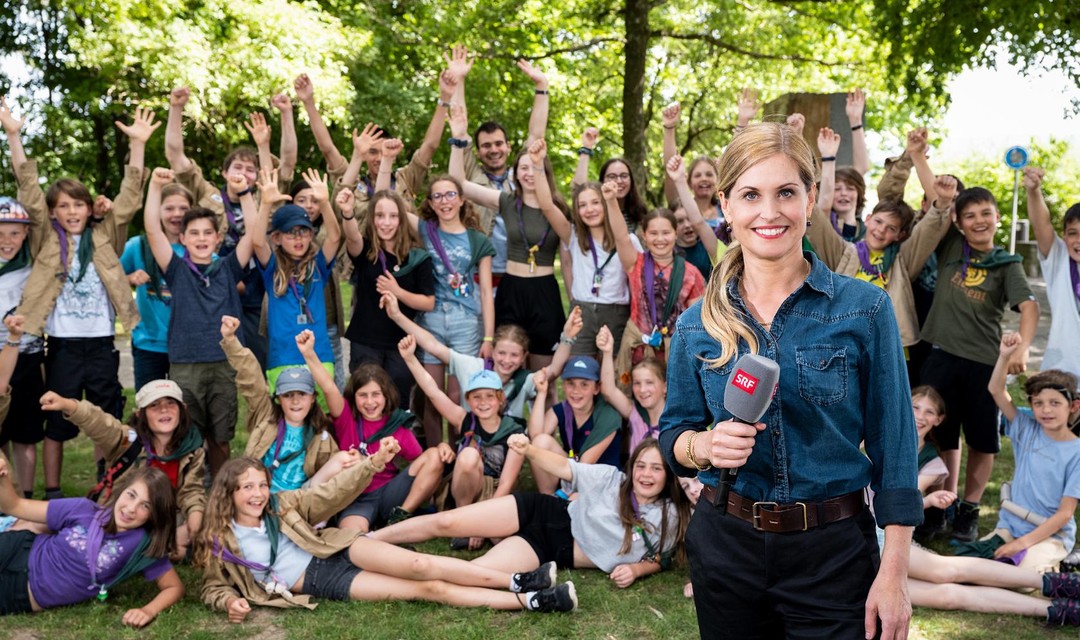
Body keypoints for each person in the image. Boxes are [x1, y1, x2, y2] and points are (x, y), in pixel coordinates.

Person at [658, 121, 922, 639]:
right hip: (725, 547)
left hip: (834, 557)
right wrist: (704, 445)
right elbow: (673, 435)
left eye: (786, 192)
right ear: (727, 206)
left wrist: (894, 574)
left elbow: (896, 447)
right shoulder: (696, 323)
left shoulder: (865, 309)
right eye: (751, 194)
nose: (770, 211)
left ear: (811, 198)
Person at [196, 456, 577, 620]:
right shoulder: (220, 541)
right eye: (247, 488)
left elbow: (327, 495)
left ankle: (518, 580)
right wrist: (229, 600)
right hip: (318, 579)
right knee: (427, 589)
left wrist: (370, 465)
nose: (258, 494)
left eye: (261, 485)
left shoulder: (280, 504)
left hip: (337, 544)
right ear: (229, 492)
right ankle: (532, 601)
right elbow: (211, 587)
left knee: (420, 563)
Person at [7, 100, 147, 499]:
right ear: (53, 212)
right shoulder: (45, 239)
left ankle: (110, 483)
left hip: (101, 343)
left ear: (90, 208)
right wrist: (14, 136)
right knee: (56, 416)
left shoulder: (105, 236)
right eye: (63, 205)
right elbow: (28, 191)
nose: (72, 211)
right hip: (63, 344)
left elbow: (130, 198)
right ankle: (52, 491)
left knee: (106, 417)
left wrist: (136, 146)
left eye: (78, 204)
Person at [371, 435, 690, 590]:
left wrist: (636, 571)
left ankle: (384, 570)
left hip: (551, 548)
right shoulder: (611, 479)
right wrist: (528, 451)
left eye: (656, 469)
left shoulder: (670, 517)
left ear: (668, 475)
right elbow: (565, 467)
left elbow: (660, 558)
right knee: (447, 521)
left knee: (475, 574)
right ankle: (370, 540)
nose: (646, 475)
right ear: (632, 467)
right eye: (641, 466)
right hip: (545, 511)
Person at [919, 185, 1040, 543]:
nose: (978, 221)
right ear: (959, 221)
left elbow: (1030, 308)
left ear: (997, 217)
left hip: (984, 364)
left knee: (982, 441)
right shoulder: (953, 246)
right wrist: (918, 157)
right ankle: (939, 505)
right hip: (940, 357)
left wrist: (1023, 348)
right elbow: (934, 194)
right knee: (940, 433)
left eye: (986, 213)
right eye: (969, 215)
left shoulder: (1007, 263)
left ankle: (969, 510)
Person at [165, 88, 296, 370]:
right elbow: (176, 157)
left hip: (257, 294)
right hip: (213, 292)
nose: (243, 173)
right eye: (237, 166)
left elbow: (286, 163)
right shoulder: (207, 195)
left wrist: (285, 116)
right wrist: (176, 109)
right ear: (225, 173)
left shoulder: (264, 198)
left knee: (260, 370)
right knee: (215, 369)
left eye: (251, 169)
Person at [144, 167, 255, 478]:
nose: (201, 238)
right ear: (183, 238)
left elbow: (253, 233)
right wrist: (154, 187)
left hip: (224, 363)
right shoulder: (176, 269)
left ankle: (220, 489)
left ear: (218, 238)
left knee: (220, 438)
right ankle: (190, 490)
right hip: (185, 364)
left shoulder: (229, 268)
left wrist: (245, 192)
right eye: (194, 233)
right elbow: (153, 230)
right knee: (189, 436)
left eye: (208, 232)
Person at [0, 456, 184, 626]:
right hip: (18, 549)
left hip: (24, 591)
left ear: (154, 515)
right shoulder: (84, 508)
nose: (131, 509)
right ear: (121, 491)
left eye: (146, 505)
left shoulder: (142, 545)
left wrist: (148, 611)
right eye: (131, 495)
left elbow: (174, 587)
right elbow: (15, 505)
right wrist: (2, 476)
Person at [39, 379, 206, 561]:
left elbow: (192, 491)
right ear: (140, 414)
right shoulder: (128, 440)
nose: (164, 410)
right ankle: (155, 549)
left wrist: (195, 521)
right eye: (154, 405)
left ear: (183, 409)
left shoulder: (192, 449)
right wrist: (67, 405)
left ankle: (147, 549)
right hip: (122, 516)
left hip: (160, 519)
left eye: (170, 403)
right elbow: (99, 422)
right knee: (52, 521)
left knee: (200, 525)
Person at [299, 330, 447, 532]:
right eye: (363, 395)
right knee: (352, 535)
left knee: (434, 456)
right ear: (354, 397)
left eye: (376, 394)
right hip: (356, 497)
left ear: (386, 395)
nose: (370, 402)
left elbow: (423, 465)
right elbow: (329, 387)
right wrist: (309, 354)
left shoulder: (397, 426)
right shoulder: (346, 418)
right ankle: (376, 531)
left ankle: (400, 517)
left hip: (389, 493)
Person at [400, 336, 526, 548]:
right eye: (476, 397)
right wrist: (410, 358)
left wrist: (485, 520)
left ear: (500, 399)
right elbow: (433, 391)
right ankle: (463, 523)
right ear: (468, 400)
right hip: (465, 492)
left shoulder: (515, 431)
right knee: (467, 455)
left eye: (489, 396)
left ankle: (475, 527)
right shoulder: (465, 419)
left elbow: (506, 483)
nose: (483, 403)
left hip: (495, 494)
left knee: (501, 540)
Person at [382, 293, 580, 421]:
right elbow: (433, 346)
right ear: (492, 351)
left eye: (514, 355)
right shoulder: (472, 367)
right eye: (501, 353)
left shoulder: (526, 380)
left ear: (523, 358)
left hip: (509, 447)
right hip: (474, 441)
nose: (506, 360)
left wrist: (567, 337)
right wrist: (397, 316)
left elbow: (553, 370)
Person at [408, 174, 496, 445]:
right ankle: (436, 459)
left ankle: (460, 454)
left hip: (465, 322)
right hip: (431, 321)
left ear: (461, 200)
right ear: (431, 204)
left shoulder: (477, 240)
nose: (444, 201)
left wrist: (488, 337)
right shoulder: (424, 230)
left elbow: (485, 292)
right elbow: (395, 204)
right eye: (437, 196)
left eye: (450, 195)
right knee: (433, 395)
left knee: (458, 397)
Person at [220, 316, 351, 493]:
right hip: (259, 495)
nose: (295, 401)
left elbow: (330, 481)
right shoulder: (265, 416)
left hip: (298, 500)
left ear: (313, 398)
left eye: (302, 394)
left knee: (344, 460)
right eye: (288, 395)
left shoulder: (321, 436)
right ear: (278, 399)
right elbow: (249, 375)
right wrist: (230, 340)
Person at [983, 333, 1080, 572]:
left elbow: (1064, 514)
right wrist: (1005, 356)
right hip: (1010, 527)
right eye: (1038, 403)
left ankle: (1057, 567)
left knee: (1014, 576)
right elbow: (996, 389)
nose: (1046, 410)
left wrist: (1021, 545)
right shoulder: (1025, 428)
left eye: (1055, 403)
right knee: (976, 565)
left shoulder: (1076, 452)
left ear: (1073, 406)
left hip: (1051, 535)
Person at [338, 187, 435, 403]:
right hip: (366, 341)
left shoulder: (417, 258)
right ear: (372, 219)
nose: (386, 222)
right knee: (365, 398)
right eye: (380, 216)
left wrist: (398, 292)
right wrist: (347, 212)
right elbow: (352, 237)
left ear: (401, 220)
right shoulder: (366, 252)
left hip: (400, 342)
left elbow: (428, 302)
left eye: (393, 216)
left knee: (396, 400)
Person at [250, 168, 341, 391]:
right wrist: (265, 205)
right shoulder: (272, 269)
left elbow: (335, 236)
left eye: (303, 231)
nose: (298, 238)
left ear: (311, 234)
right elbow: (258, 243)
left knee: (322, 420)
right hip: (282, 358)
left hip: (320, 356)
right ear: (277, 238)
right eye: (291, 233)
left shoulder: (318, 266)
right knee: (287, 420)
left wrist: (325, 203)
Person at [121, 178, 193, 389]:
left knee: (186, 407)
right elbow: (109, 278)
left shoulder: (198, 247)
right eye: (169, 208)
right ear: (157, 211)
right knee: (149, 404)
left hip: (187, 345)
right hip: (148, 343)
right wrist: (129, 278)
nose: (177, 214)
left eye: (183, 208)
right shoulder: (138, 246)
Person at [0, 195, 44, 498]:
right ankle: (5, 497)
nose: (7, 240)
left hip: (27, 356)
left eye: (15, 232)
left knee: (26, 435)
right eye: (0, 233)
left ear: (26, 232)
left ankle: (25, 497)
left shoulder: (34, 265)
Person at [528, 358, 623, 494]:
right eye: (570, 383)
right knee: (540, 441)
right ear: (564, 385)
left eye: (584, 385)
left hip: (602, 479)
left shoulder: (608, 416)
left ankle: (566, 497)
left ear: (596, 388)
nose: (576, 391)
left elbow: (586, 464)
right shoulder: (562, 410)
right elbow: (535, 436)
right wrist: (542, 393)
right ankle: (548, 497)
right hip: (575, 470)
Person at [1023, 166, 1080, 381]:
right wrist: (1034, 191)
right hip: (1060, 373)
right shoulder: (1059, 259)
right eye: (1072, 233)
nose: (1078, 240)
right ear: (1064, 237)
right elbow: (1041, 225)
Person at [596, 326, 667, 455]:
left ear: (665, 386)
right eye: (637, 383)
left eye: (649, 382)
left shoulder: (674, 419)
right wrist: (607, 352)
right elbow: (608, 391)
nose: (642, 389)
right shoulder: (635, 413)